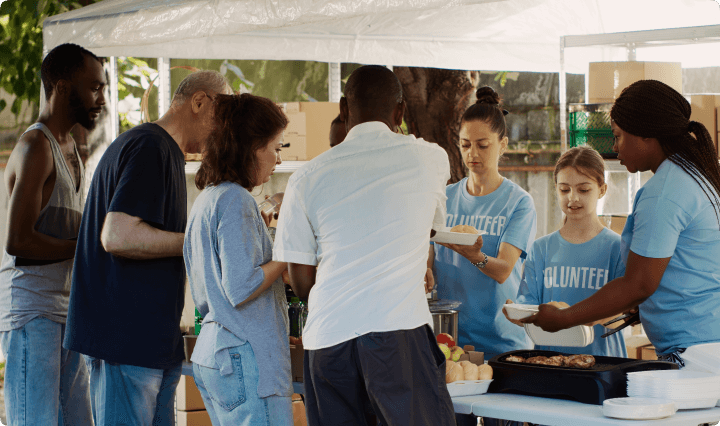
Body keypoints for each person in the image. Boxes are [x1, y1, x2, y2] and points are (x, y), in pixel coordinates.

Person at [273, 65, 455, 426]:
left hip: (328, 339)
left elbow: (302, 280)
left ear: (344, 109)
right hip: (398, 330)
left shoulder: (305, 178)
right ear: (400, 112)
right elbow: (428, 229)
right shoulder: (430, 158)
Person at [64, 70, 231, 426]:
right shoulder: (150, 147)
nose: (223, 131)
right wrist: (199, 240)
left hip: (152, 342)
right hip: (127, 342)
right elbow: (118, 236)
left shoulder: (163, 150)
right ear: (199, 102)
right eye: (222, 117)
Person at [525, 79, 720, 368]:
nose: (615, 147)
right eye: (564, 189)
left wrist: (564, 318)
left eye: (618, 136)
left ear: (646, 134)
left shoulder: (664, 191)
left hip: (693, 348)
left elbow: (638, 284)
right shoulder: (693, 176)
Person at [0, 43, 104, 426]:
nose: (101, 99)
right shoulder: (35, 146)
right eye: (94, 87)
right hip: (33, 313)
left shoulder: (72, 148)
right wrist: (84, 247)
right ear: (62, 87)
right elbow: (18, 241)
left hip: (66, 312)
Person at [184, 93, 293, 425]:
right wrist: (288, 250)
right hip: (244, 355)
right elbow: (241, 286)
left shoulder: (208, 199)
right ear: (252, 148)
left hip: (216, 352)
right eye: (275, 148)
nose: (278, 160)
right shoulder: (236, 200)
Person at [430, 86, 537, 359]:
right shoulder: (444, 197)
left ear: (503, 144)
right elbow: (427, 259)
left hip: (503, 343)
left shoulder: (519, 202)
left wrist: (475, 257)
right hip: (450, 342)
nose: (472, 154)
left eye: (482, 145)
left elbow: (503, 271)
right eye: (465, 145)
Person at [503, 146, 627, 358]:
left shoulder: (618, 248)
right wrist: (518, 314)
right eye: (564, 189)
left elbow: (624, 315)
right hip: (550, 363)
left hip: (604, 363)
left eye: (583, 190)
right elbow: (529, 307)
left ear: (602, 190)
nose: (573, 198)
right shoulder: (540, 249)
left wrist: (576, 316)